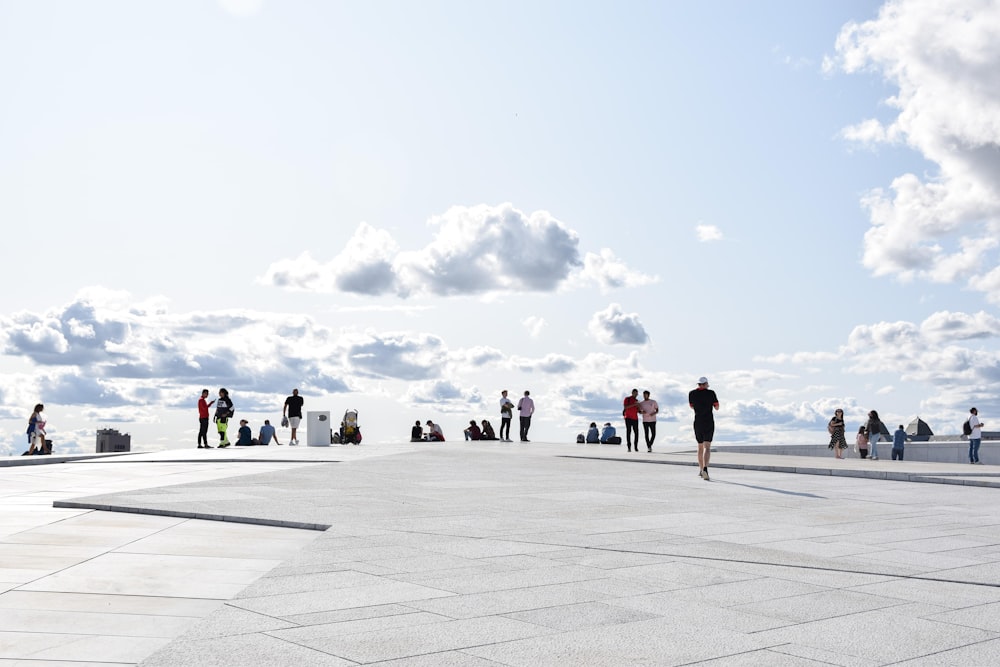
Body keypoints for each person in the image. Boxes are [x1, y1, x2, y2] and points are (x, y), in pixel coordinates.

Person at [689, 377, 719, 481]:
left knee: (700, 447)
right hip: (708, 421)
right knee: (707, 447)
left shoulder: (692, 393)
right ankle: (706, 468)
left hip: (698, 422)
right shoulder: (711, 393)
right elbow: (717, 407)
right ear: (705, 383)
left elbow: (691, 406)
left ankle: (701, 469)